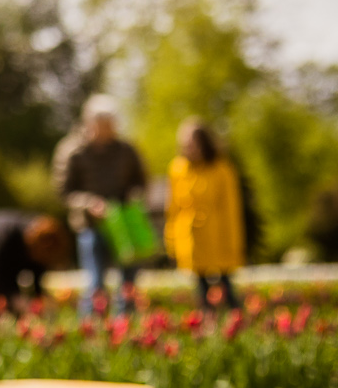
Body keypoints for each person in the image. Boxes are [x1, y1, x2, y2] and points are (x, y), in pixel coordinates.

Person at [54, 94, 149, 317]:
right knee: (95, 281)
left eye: (110, 125)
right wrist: (88, 204)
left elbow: (141, 181)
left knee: (128, 279)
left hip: (125, 223)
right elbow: (64, 191)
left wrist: (133, 196)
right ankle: (90, 327)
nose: (107, 131)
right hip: (91, 224)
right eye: (102, 126)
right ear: (89, 123)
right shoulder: (72, 150)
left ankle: (125, 325)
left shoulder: (126, 150)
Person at [165, 118, 244, 310]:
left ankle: (234, 316)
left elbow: (231, 209)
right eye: (185, 145)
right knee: (200, 289)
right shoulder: (177, 168)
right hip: (191, 235)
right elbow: (174, 207)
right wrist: (171, 239)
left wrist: (232, 241)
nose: (189, 149)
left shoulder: (222, 169)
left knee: (226, 284)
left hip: (216, 233)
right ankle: (208, 321)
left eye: (192, 145)